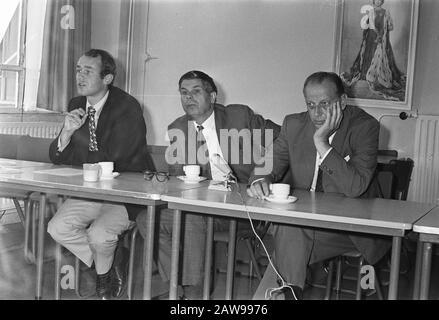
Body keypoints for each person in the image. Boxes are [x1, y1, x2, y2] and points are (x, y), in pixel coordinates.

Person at [136, 70, 280, 299]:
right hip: (204, 207)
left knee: (193, 216)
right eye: (183, 93)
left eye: (196, 91)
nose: (188, 98)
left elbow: (281, 141)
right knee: (148, 219)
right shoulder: (178, 128)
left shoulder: (239, 116)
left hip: (245, 208)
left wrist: (261, 176)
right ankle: (178, 288)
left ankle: (195, 296)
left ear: (212, 97)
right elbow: (177, 178)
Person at [247, 71, 390, 299]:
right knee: (289, 231)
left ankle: (280, 293)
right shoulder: (293, 124)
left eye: (325, 104)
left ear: (343, 101)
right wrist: (261, 180)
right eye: (311, 104)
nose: (317, 113)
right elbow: (265, 167)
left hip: (350, 229)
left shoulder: (365, 127)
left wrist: (322, 143)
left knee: (287, 237)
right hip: (303, 225)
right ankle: (287, 294)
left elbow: (355, 187)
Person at [47, 49, 150, 300]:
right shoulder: (75, 104)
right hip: (92, 190)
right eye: (78, 70)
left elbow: (118, 157)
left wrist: (86, 134)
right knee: (57, 227)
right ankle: (110, 263)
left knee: (99, 234)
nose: (80, 76)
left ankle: (104, 281)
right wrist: (68, 133)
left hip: (126, 191)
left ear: (107, 78)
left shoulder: (127, 107)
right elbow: (57, 156)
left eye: (88, 71)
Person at [341, 0, 405, 101]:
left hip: (383, 36)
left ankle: (379, 76)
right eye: (376, 0)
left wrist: (385, 30)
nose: (378, 2)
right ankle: (366, 73)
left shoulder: (386, 12)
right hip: (373, 35)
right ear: (374, 1)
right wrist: (377, 34)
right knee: (370, 53)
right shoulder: (371, 12)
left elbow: (390, 26)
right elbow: (371, 24)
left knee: (384, 54)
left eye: (380, 0)